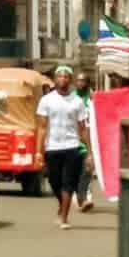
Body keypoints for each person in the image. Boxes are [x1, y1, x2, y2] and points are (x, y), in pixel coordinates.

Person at [37, 66, 92, 230]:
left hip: (72, 147)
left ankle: (64, 217)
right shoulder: (46, 100)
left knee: (68, 183)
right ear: (55, 79)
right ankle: (63, 205)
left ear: (70, 80)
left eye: (66, 77)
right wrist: (39, 152)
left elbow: (83, 128)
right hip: (52, 147)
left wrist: (89, 152)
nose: (63, 79)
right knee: (55, 182)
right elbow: (41, 127)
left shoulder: (77, 101)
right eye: (60, 76)